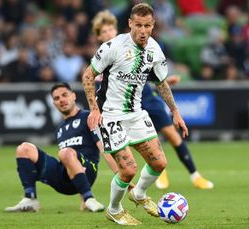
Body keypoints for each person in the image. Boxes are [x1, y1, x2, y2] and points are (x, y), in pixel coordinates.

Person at [82, 3, 188, 225]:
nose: (142, 30)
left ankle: (139, 194)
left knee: (159, 163)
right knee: (128, 169)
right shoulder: (113, 46)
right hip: (111, 115)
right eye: (138, 25)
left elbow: (161, 84)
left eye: (147, 25)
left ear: (153, 25)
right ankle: (114, 209)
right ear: (130, 23)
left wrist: (175, 112)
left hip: (136, 114)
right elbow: (88, 76)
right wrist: (94, 108)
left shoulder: (155, 50)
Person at [91, 10, 213, 190]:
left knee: (172, 134)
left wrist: (163, 82)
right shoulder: (105, 54)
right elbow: (107, 83)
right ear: (98, 36)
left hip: (147, 97)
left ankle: (195, 175)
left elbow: (140, 73)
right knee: (135, 144)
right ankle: (156, 174)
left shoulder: (135, 46)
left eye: (110, 29)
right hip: (120, 109)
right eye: (104, 31)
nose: (108, 33)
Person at [5, 82, 119, 213]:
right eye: (56, 98)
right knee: (24, 148)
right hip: (64, 180)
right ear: (54, 103)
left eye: (64, 95)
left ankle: (88, 198)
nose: (61, 100)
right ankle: (30, 198)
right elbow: (69, 160)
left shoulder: (88, 117)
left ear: (73, 96)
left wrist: (120, 176)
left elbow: (105, 148)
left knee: (65, 152)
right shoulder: (59, 129)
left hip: (88, 170)